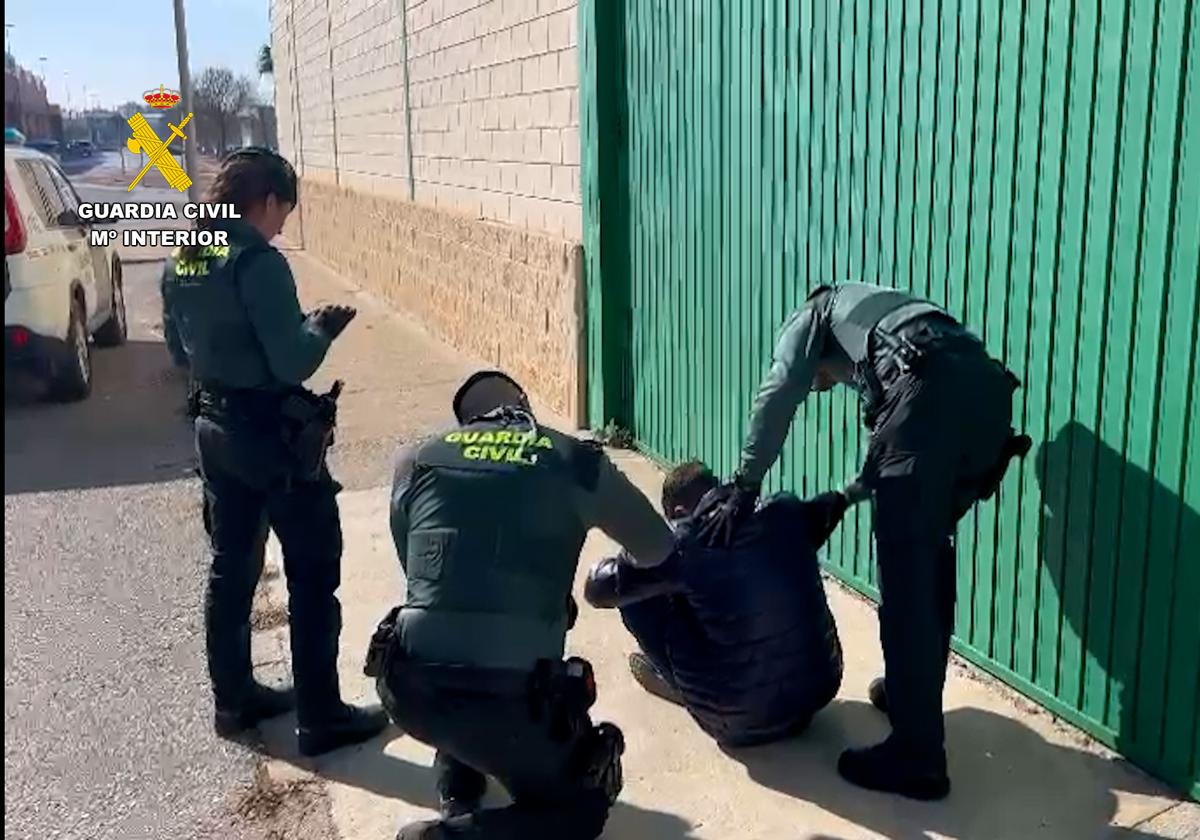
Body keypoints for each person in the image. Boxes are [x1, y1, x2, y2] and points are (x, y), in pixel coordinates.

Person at [699, 282, 1030, 800]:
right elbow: (894, 457)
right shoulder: (889, 320)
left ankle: (917, 756)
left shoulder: (816, 312)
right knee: (930, 558)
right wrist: (841, 499)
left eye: (821, 382)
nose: (820, 387)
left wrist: (745, 484)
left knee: (907, 582)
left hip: (933, 399)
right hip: (988, 399)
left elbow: (780, 388)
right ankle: (909, 697)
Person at [372, 370, 679, 840]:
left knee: (458, 630)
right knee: (580, 809)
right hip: (511, 699)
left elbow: (415, 574)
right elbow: (658, 548)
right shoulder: (573, 459)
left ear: (467, 424)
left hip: (409, 687)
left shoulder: (417, 459)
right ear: (523, 404)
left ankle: (459, 792)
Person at [162, 147, 388, 756]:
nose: (283, 224)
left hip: (214, 431)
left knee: (231, 567)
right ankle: (321, 716)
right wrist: (320, 329)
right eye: (283, 211)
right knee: (313, 573)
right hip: (273, 439)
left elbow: (180, 352)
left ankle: (233, 702)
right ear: (265, 201)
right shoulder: (257, 261)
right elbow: (292, 359)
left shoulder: (187, 254)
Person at [584, 459, 862, 747]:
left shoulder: (686, 543)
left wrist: (637, 550)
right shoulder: (785, 511)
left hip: (737, 720)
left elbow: (596, 589)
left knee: (637, 596)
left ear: (678, 513)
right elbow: (829, 509)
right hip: (814, 696)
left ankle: (679, 687)